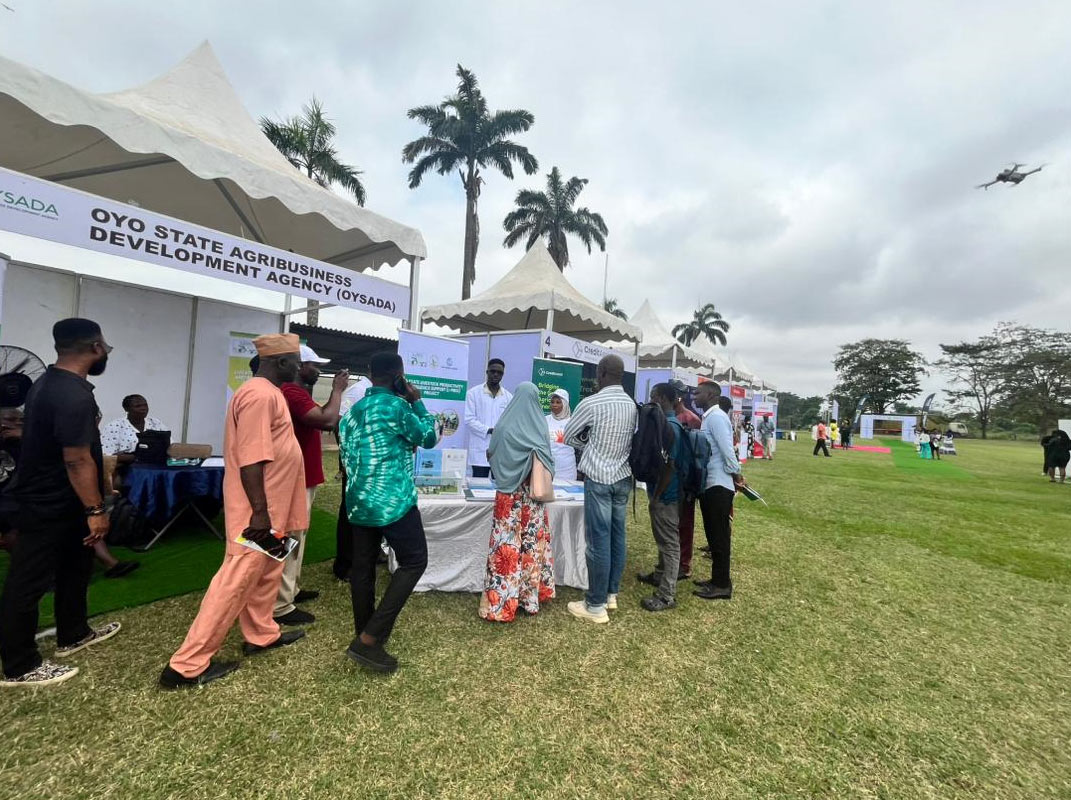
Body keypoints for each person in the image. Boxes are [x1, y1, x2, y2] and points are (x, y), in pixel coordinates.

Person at [159, 334, 309, 690]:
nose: (300, 368)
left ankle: (261, 634)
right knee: (236, 580)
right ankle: (186, 666)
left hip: (273, 507)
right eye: (296, 361)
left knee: (267, 573)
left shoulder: (269, 392)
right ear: (280, 362)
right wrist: (259, 512)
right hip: (259, 511)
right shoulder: (259, 395)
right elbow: (251, 459)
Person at [1, 318, 121, 688]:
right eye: (105, 346)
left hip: (68, 502)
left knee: (75, 566)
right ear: (96, 347)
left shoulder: (51, 384)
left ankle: (74, 633)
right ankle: (20, 665)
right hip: (47, 502)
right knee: (28, 580)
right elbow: (77, 459)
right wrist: (96, 510)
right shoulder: (70, 393)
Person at [338, 352, 438, 673]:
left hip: (358, 501)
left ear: (371, 373)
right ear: (399, 377)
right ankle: (369, 639)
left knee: (362, 569)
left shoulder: (352, 413)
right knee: (415, 561)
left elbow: (346, 458)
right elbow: (430, 437)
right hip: (393, 501)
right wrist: (417, 401)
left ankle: (365, 634)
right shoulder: (399, 408)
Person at [272, 345, 349, 626]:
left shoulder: (298, 394)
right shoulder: (291, 392)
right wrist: (338, 390)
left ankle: (291, 589)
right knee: (290, 537)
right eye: (314, 365)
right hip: (294, 478)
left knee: (298, 536)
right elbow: (327, 420)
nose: (318, 371)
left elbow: (327, 417)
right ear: (299, 366)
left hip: (303, 476)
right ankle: (280, 605)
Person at [564, 354, 637, 623]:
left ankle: (595, 606)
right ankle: (610, 594)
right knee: (618, 537)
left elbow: (569, 435)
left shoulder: (592, 402)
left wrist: (590, 445)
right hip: (622, 478)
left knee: (598, 541)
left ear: (602, 373)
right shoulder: (631, 404)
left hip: (598, 479)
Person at [478, 382, 556, 622]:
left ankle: (500, 604)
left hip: (508, 498)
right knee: (531, 548)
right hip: (532, 498)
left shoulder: (503, 426)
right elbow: (549, 462)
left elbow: (491, 454)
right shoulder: (540, 426)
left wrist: (508, 470)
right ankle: (528, 600)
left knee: (506, 550)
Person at [693, 381, 743, 600]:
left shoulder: (717, 418)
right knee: (713, 535)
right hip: (710, 483)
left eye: (698, 393)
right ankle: (716, 579)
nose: (694, 396)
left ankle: (722, 585)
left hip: (719, 485)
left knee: (720, 537)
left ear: (711, 395)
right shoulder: (709, 417)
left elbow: (727, 451)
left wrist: (737, 475)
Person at [636, 383, 684, 612]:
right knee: (662, 538)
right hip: (663, 493)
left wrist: (656, 496)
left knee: (670, 544)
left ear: (663, 398)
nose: (651, 400)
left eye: (654, 396)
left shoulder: (671, 428)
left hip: (667, 495)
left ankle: (667, 595)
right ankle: (659, 574)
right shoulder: (666, 424)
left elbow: (669, 466)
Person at [332, 374, 372, 582]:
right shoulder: (358, 391)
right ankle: (344, 564)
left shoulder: (382, 393)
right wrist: (347, 459)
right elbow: (339, 423)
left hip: (374, 467)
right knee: (350, 513)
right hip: (357, 464)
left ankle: (368, 556)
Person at [670, 380, 700, 580]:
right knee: (670, 523)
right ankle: (671, 561)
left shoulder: (691, 419)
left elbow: (696, 454)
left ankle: (684, 564)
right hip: (669, 478)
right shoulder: (668, 417)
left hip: (685, 480)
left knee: (685, 523)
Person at [464, 359, 512, 478]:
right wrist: (488, 430)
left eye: (499, 372)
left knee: (499, 485)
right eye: (493, 371)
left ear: (503, 375)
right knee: (479, 485)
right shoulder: (473, 393)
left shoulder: (508, 397)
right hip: (479, 449)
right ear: (487, 372)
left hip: (500, 450)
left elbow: (511, 422)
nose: (495, 374)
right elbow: (469, 420)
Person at [99, 394, 168, 463]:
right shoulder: (114, 427)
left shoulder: (155, 423)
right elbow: (107, 456)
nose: (143, 408)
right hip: (127, 467)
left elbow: (170, 445)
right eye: (138, 406)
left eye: (145, 405)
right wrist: (136, 457)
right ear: (126, 409)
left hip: (158, 466)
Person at [545, 387, 577, 481]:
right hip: (547, 468)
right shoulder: (545, 420)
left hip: (567, 470)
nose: (554, 404)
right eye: (552, 402)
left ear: (565, 404)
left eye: (558, 402)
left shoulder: (572, 422)